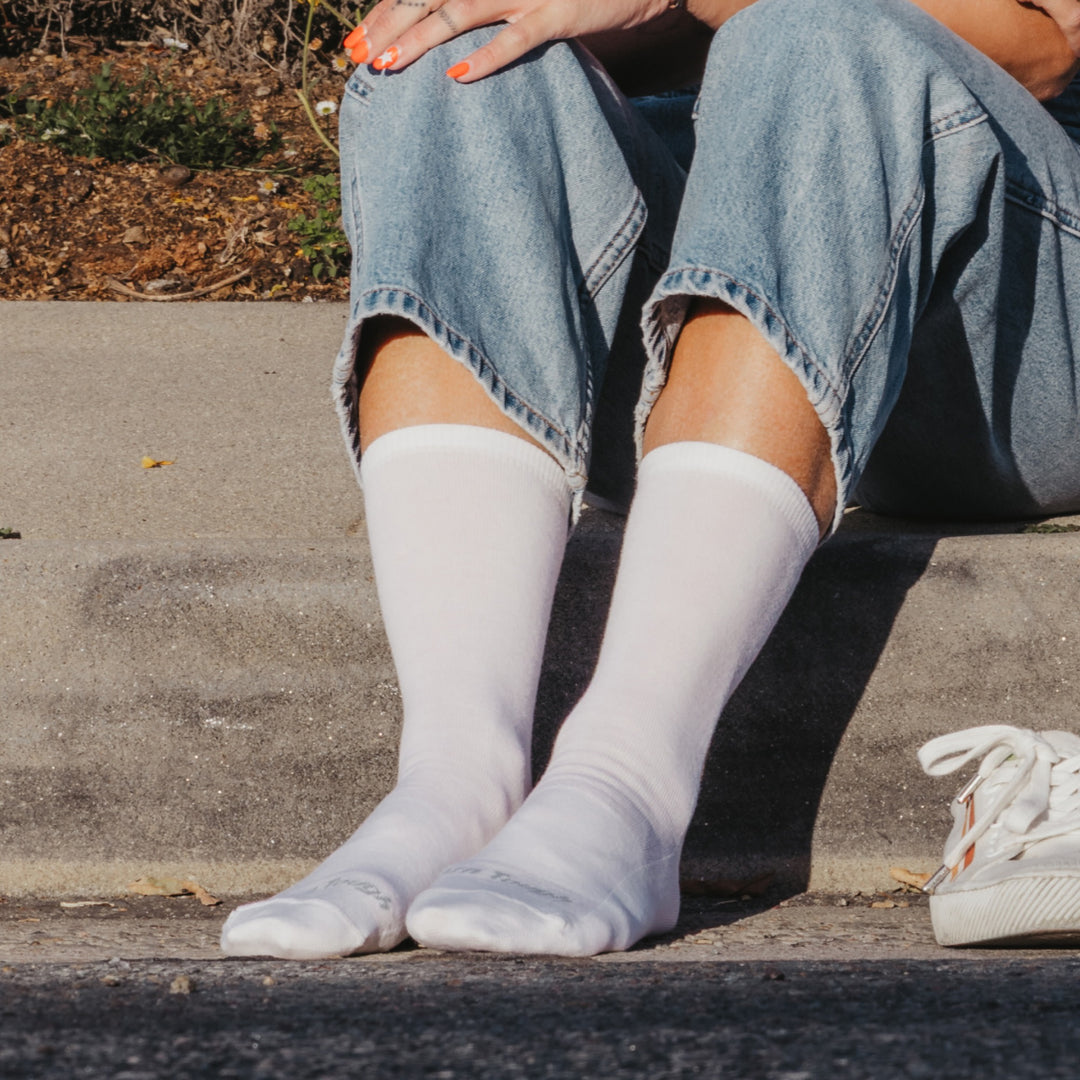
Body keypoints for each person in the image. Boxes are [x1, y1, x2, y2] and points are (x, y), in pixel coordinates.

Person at [220, 0, 1080, 958]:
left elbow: (1045, 47)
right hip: (738, 277)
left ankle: (624, 783)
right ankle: (452, 781)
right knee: (454, 60)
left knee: (810, 31)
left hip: (1017, 323)